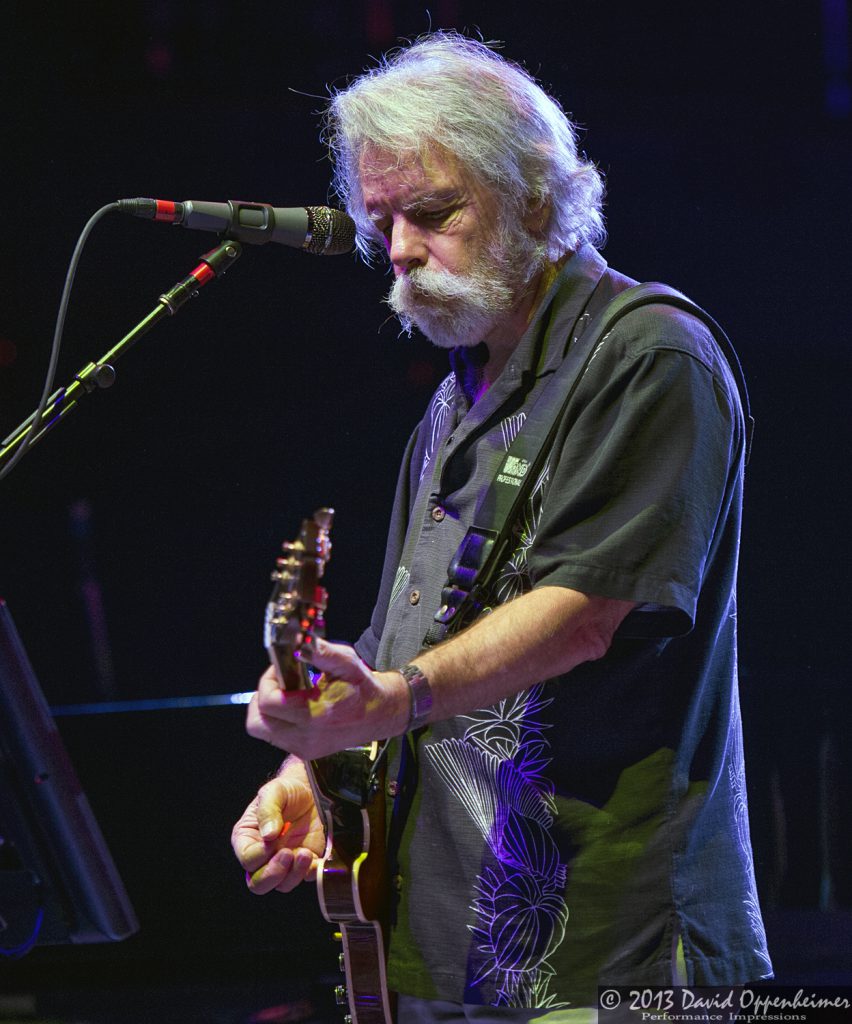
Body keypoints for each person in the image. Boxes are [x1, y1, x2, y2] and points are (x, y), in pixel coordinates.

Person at [231, 32, 772, 1022]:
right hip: (446, 950)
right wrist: (320, 766)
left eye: (433, 212)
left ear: (533, 196)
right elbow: (408, 646)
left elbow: (585, 612)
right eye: (382, 221)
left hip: (612, 945)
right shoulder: (454, 402)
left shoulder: (651, 354)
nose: (399, 249)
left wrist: (391, 700)